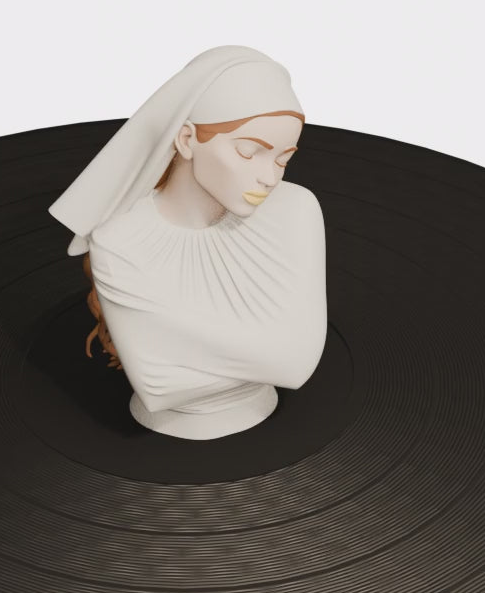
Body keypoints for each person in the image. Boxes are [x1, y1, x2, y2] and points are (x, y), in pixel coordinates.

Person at [48, 46, 327, 440]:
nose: (269, 177)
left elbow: (296, 365)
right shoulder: (118, 241)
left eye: (283, 159)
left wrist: (171, 347)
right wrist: (266, 349)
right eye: (249, 152)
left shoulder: (295, 209)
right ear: (187, 139)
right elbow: (155, 388)